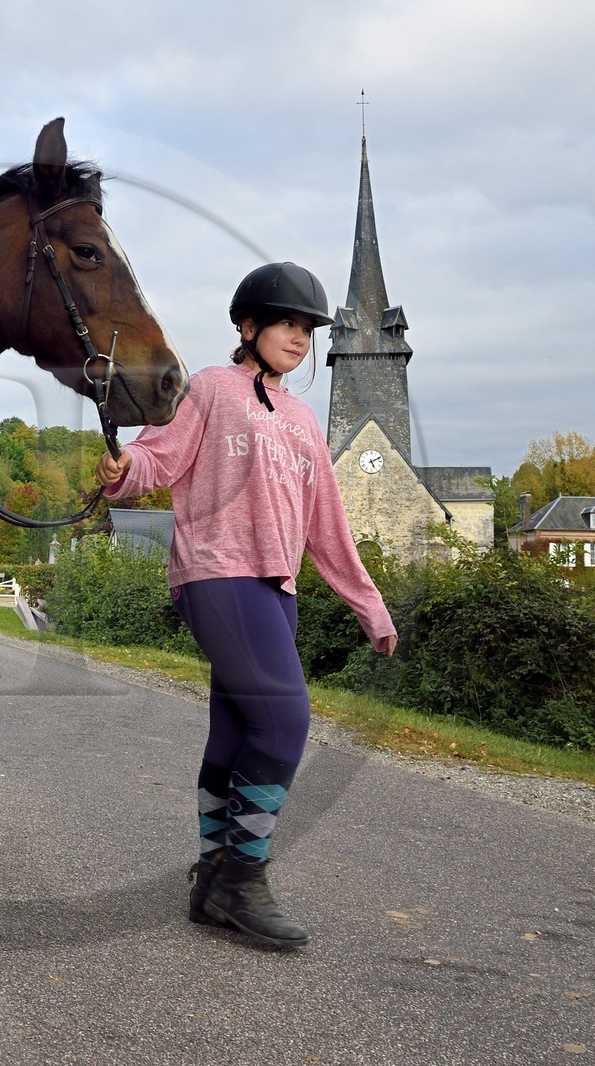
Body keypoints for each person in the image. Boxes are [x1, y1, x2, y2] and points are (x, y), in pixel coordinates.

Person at [95, 261, 397, 948]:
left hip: (276, 587)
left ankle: (209, 879)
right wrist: (123, 474)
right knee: (286, 721)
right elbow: (157, 459)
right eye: (287, 322)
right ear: (249, 325)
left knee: (236, 735)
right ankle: (241, 878)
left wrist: (368, 604)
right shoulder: (211, 390)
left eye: (308, 328)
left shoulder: (301, 420)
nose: (299, 337)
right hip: (216, 574)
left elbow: (328, 523)